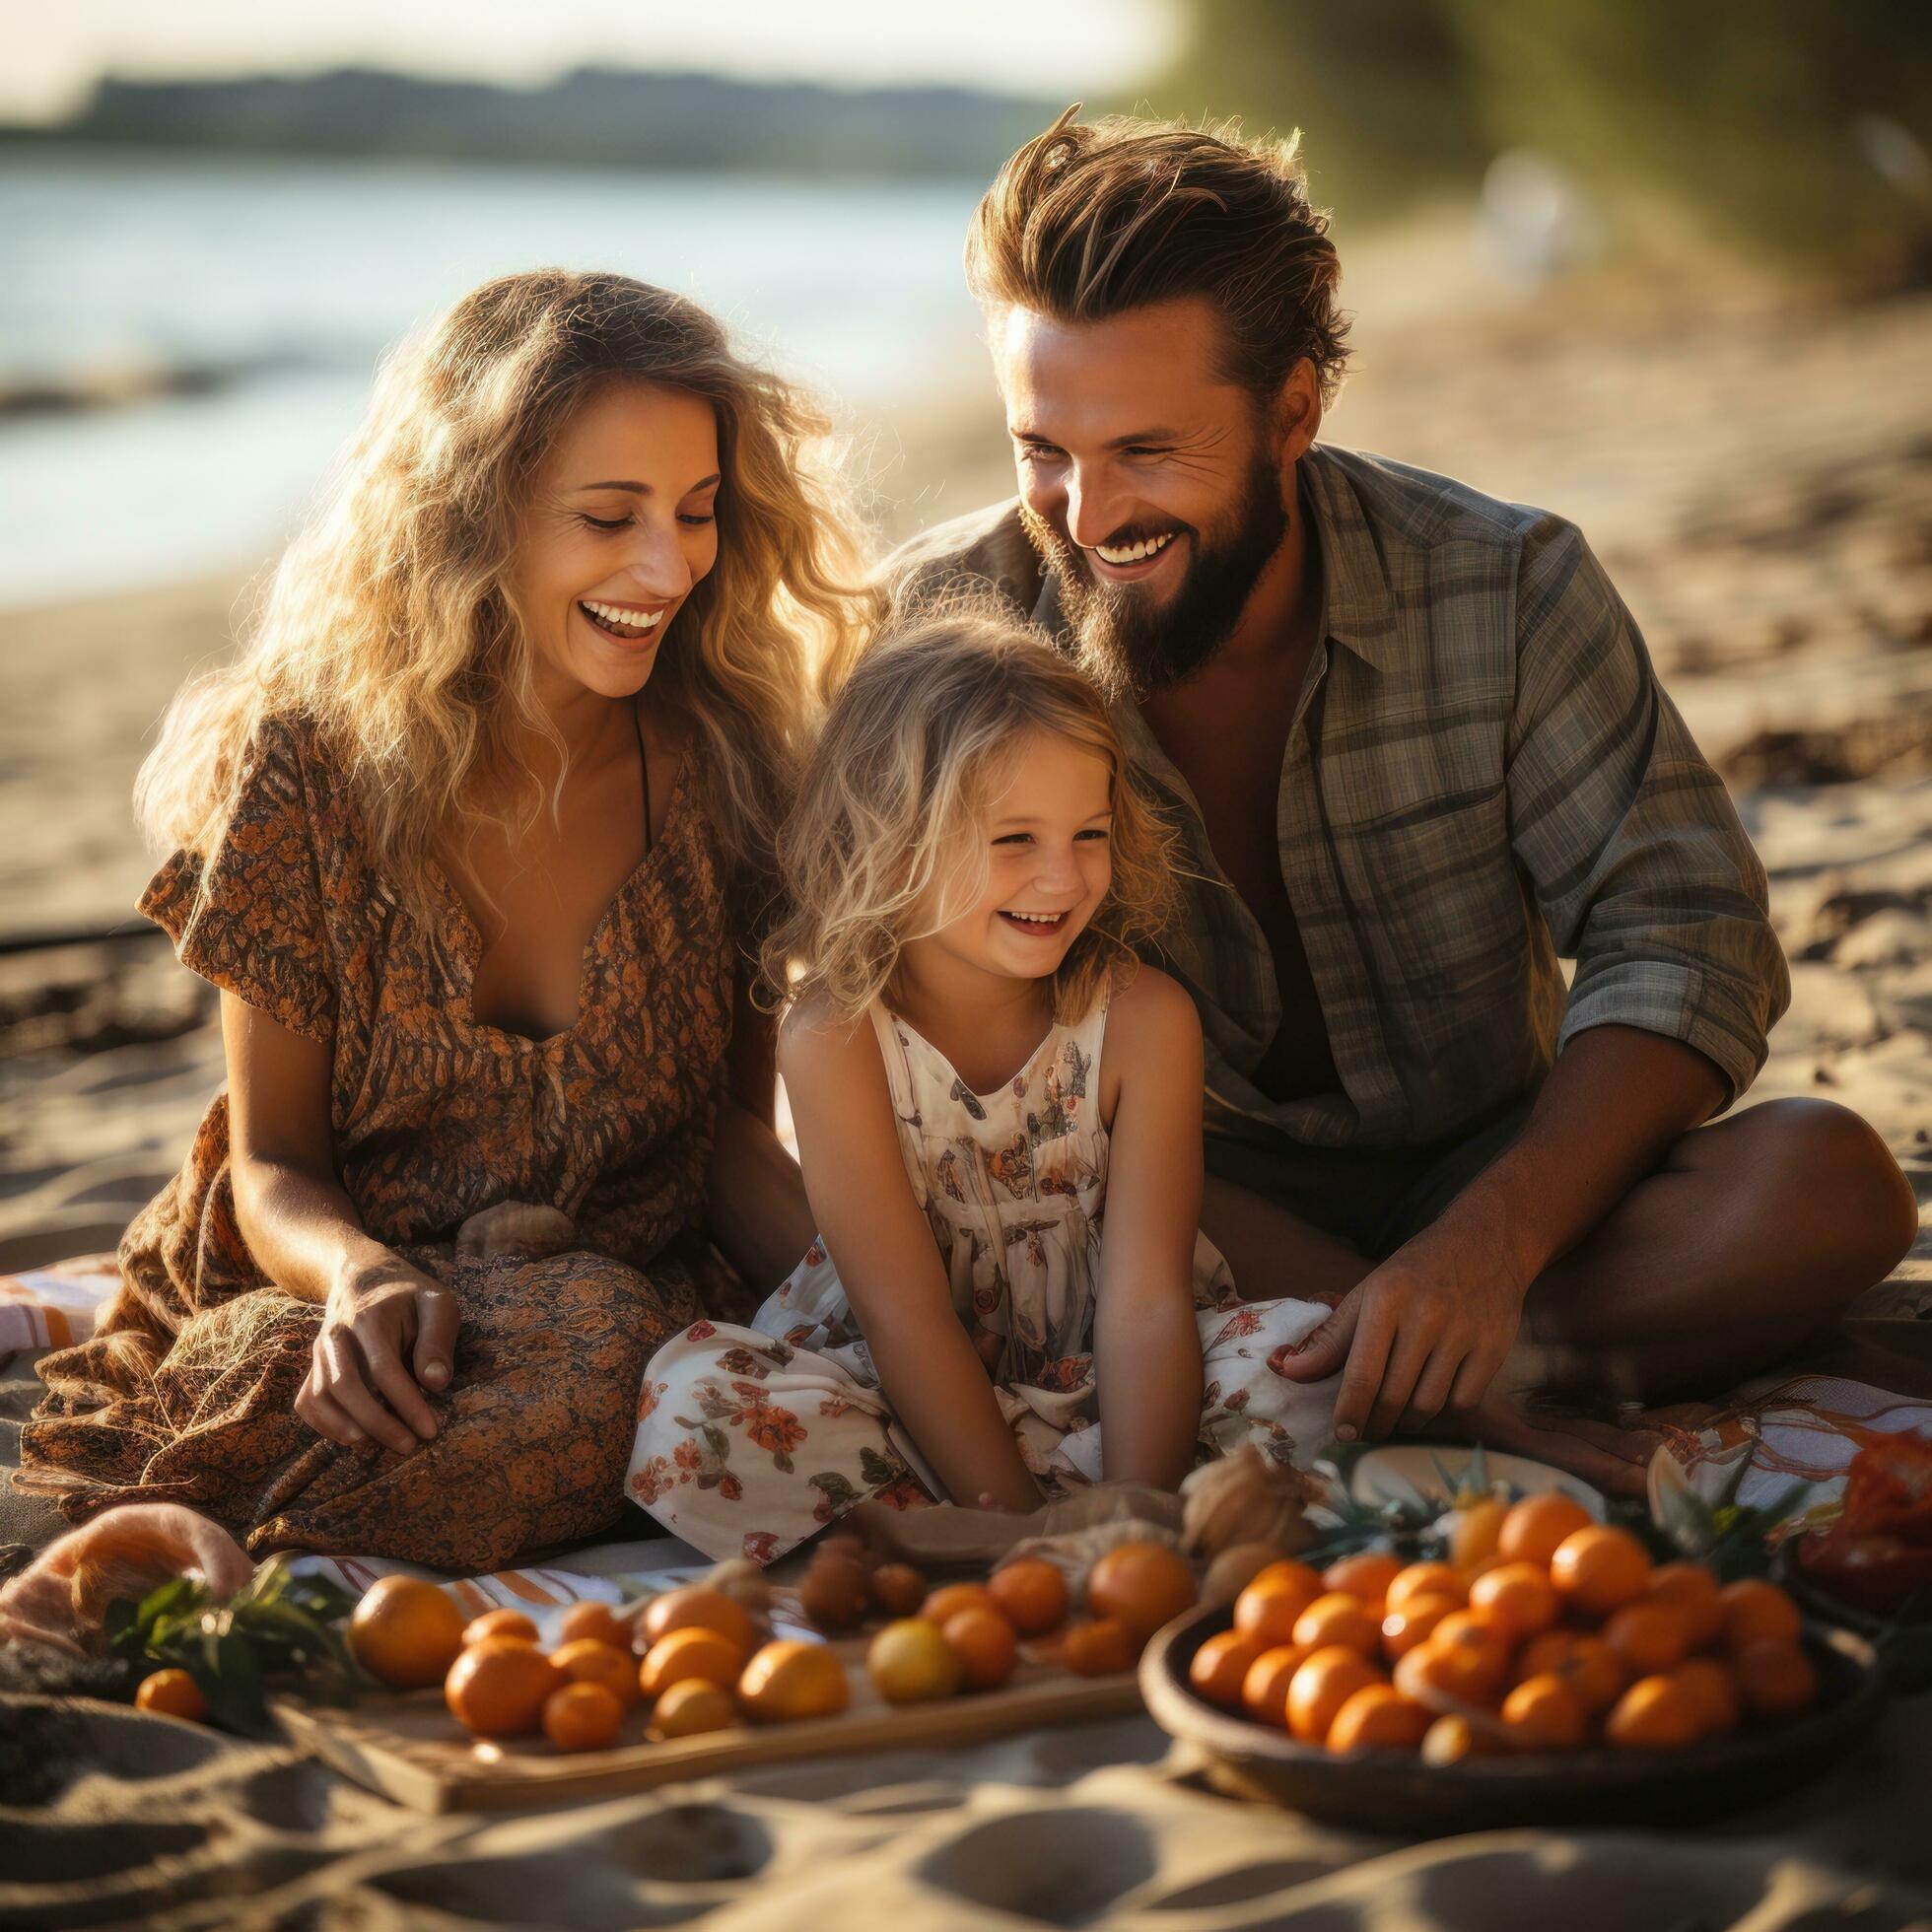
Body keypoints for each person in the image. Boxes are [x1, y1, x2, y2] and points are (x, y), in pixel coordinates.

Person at [887, 111, 1919, 1484]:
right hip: (1161, 1225)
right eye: (1043, 451)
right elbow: (952, 1050)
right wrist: (1391, 1292)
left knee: (1828, 1183)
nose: (1084, 516)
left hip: (1512, 1187)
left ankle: (1391, 1358)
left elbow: (1685, 930)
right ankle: (1465, 1367)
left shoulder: (1505, 588)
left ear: (1295, 414)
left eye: (1147, 450)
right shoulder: (951, 632)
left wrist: (1487, 1247)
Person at [15, 270, 859, 1572]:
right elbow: (270, 1160)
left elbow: (731, 1135)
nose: (667, 566)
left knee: (621, 1381)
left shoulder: (728, 768)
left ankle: (259, 1531)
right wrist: (359, 1277)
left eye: (696, 514)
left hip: (610, 1308)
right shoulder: (307, 766)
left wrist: (874, 1305)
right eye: (608, 516)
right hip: (333, 1287)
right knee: (259, 1384)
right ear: (473, 515)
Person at [626, 608, 1337, 1561]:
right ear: (892, 836)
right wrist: (1021, 1524)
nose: (1061, 877)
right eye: (1013, 840)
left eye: (1089, 833)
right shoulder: (838, 1035)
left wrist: (1135, 1508)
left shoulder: (1142, 1020)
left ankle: (995, 1531)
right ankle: (995, 1528)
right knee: (695, 1411)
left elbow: (1147, 1301)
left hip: (1121, 1385)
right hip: (904, 1390)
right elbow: (902, 1313)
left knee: (1306, 1366)